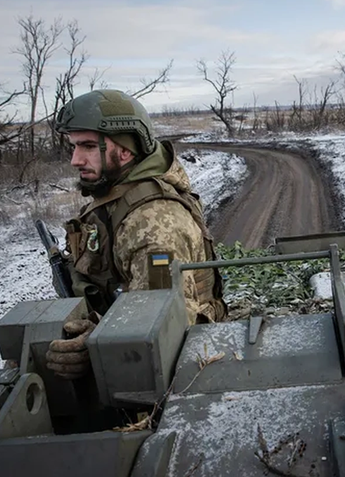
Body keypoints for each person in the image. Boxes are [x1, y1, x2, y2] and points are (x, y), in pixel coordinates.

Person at [45, 89, 227, 379]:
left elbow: (164, 327)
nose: (75, 160)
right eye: (74, 146)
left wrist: (93, 343)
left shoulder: (153, 224)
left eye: (88, 146)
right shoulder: (117, 192)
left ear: (126, 150)